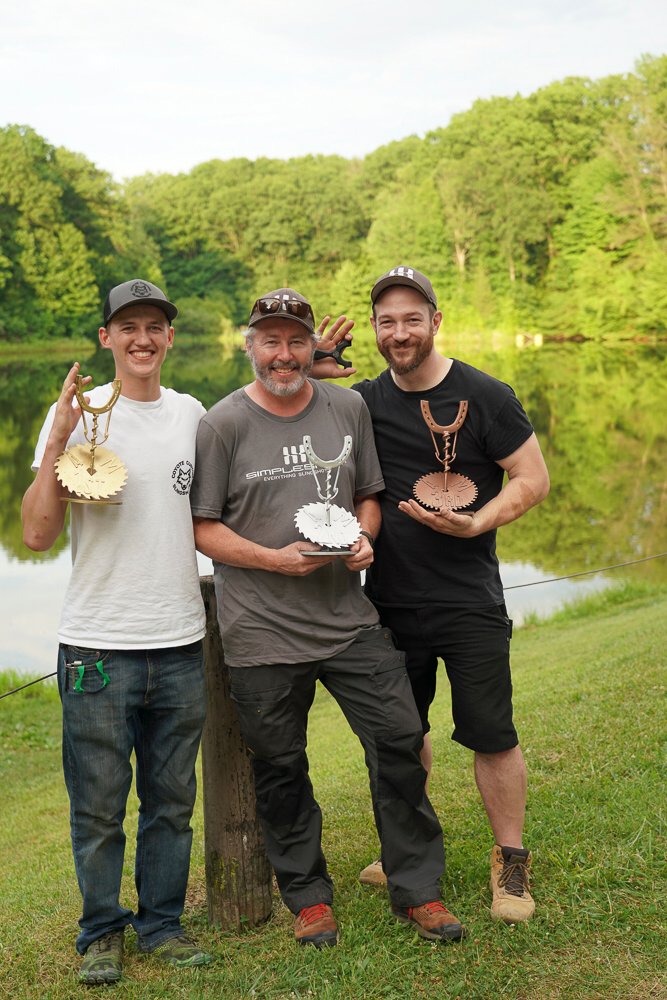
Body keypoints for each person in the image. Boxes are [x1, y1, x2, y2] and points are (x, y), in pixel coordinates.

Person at [189, 287, 464, 948]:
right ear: (250, 345)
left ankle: (416, 888)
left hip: (346, 621)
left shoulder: (346, 407)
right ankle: (309, 898)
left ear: (312, 345)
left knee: (399, 737)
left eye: (295, 340)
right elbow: (202, 528)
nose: (283, 354)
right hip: (260, 631)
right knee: (280, 766)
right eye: (270, 340)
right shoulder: (222, 423)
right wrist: (272, 560)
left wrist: (365, 538)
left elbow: (367, 496)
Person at [21, 279, 215, 985]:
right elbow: (36, 534)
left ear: (170, 337)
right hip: (97, 646)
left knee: (172, 804)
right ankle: (100, 932)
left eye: (154, 326)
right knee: (99, 807)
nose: (142, 338)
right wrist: (58, 439)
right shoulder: (76, 415)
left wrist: (303, 370)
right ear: (106, 337)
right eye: (127, 326)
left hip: (181, 641)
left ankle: (162, 925)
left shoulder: (192, 414)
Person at [348, 266, 550, 923]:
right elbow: (290, 407)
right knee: (401, 733)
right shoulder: (362, 401)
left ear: (435, 321)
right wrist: (310, 364)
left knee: (492, 734)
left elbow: (532, 478)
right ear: (374, 329)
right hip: (388, 601)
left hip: (468, 601)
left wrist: (478, 521)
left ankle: (511, 863)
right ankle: (406, 850)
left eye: (412, 318)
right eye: (386, 321)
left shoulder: (486, 395)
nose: (399, 332)